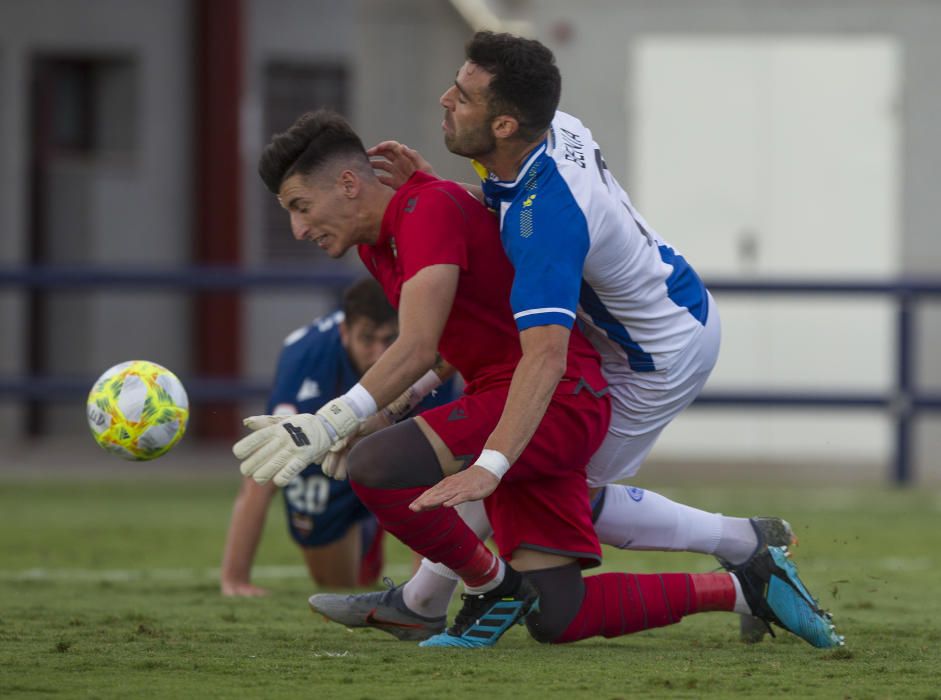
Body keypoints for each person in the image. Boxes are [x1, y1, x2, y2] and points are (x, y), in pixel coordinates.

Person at [234, 109, 841, 649]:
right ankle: (745, 583)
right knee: (558, 616)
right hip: (539, 383)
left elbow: (420, 345)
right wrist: (378, 413)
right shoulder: (411, 220)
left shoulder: (435, 207)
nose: (296, 228)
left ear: (346, 183)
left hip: (582, 378)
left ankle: (457, 594)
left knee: (385, 466)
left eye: (298, 206)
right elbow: (450, 334)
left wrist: (332, 419)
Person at [220, 278, 454, 595]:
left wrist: (423, 599)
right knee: (337, 584)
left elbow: (435, 471)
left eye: (390, 340)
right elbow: (266, 472)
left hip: (402, 451)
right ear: (345, 333)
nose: (379, 354)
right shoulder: (305, 359)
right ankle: (367, 531)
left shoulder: (428, 349)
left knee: (448, 469)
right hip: (326, 461)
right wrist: (235, 579)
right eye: (367, 339)